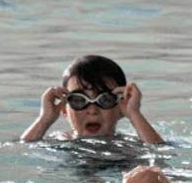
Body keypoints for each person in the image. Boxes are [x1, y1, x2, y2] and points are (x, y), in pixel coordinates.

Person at [20, 54, 164, 144]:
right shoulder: (59, 143)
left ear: (121, 109)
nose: (92, 110)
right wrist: (44, 119)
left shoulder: (130, 145)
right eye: (79, 100)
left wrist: (134, 114)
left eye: (105, 100)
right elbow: (24, 149)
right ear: (64, 109)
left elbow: (160, 155)